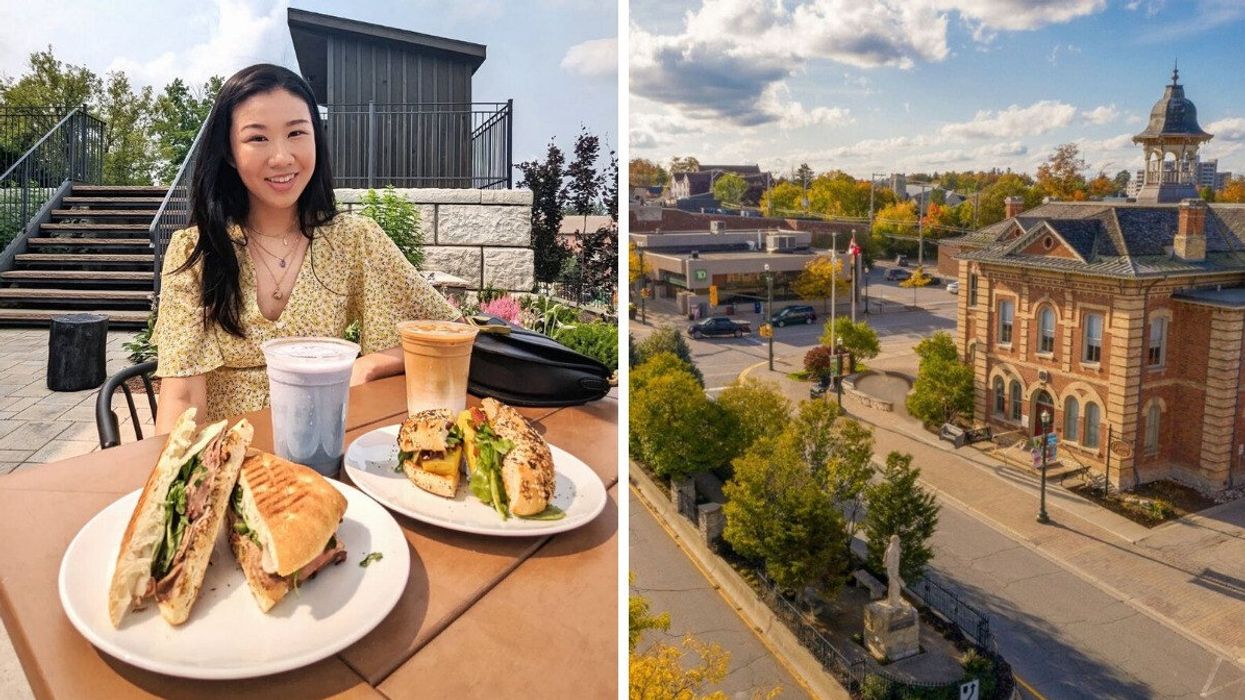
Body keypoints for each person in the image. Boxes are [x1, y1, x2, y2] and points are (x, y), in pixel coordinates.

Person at [153, 64, 456, 434]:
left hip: (324, 447)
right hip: (230, 456)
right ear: (229, 152)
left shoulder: (354, 240)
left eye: (296, 132)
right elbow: (182, 399)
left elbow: (445, 333)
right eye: (258, 138)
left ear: (316, 137)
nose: (282, 157)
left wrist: (368, 364)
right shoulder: (196, 251)